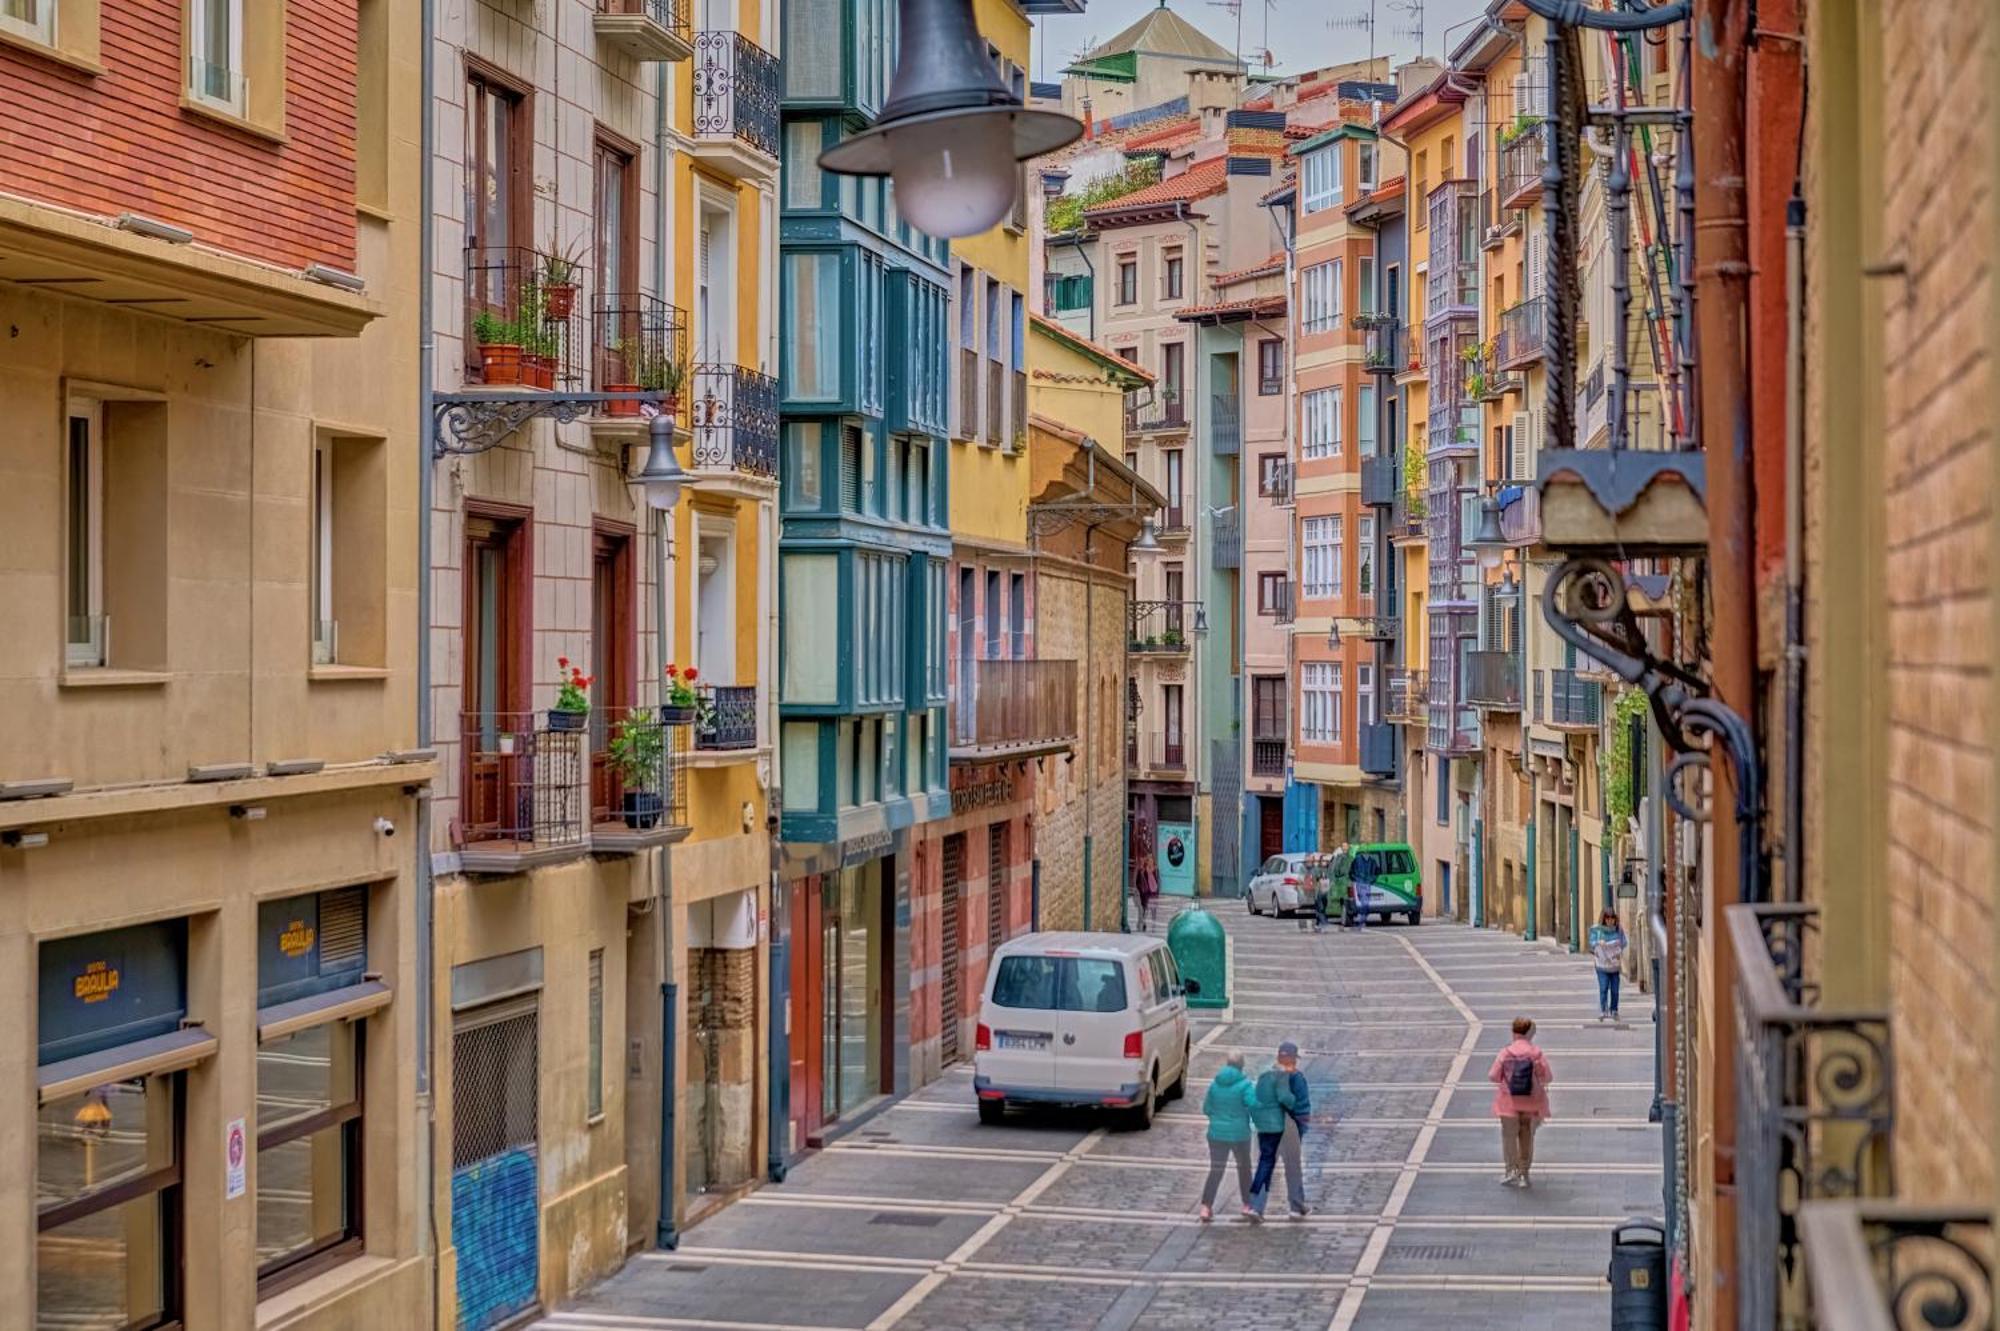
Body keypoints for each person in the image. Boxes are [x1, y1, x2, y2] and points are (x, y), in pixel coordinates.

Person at [1248, 1041, 1312, 1219]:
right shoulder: (1296, 1078)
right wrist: (1301, 1129)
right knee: (1293, 1167)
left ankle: (1256, 1206)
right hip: (1288, 1128)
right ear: (1293, 1059)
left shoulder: (1266, 1076)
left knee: (1265, 1164)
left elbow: (1256, 1101)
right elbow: (1301, 1106)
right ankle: (1296, 1206)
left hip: (1267, 1128)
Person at [1487, 1016, 1553, 1188]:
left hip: (1508, 1102)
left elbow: (1493, 1076)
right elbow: (1548, 1077)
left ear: (1513, 1032)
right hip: (1531, 1102)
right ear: (1529, 1033)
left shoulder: (1505, 1053)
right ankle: (1524, 1173)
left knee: (1509, 1137)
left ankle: (1511, 1171)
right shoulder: (1536, 1053)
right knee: (1526, 1138)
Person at [1199, 1052, 1260, 1222]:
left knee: (1216, 1170)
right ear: (1241, 1065)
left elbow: (1207, 1109)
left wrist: (1218, 1119)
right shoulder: (1245, 1085)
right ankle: (1247, 1204)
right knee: (1244, 1168)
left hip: (1216, 1134)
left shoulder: (1215, 1084)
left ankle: (1206, 1206)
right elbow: (1253, 1105)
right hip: (1239, 1134)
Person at [1588, 908, 1629, 1021]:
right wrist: (1598, 943)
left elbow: (1624, 942)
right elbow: (1591, 943)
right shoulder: (1597, 930)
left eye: (1612, 918)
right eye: (1607, 918)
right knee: (1604, 987)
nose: (1610, 921)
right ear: (1604, 919)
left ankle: (1614, 1009)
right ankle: (1603, 1010)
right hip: (1601, 965)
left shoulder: (1618, 930)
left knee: (1615, 990)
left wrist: (1618, 946)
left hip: (1614, 966)